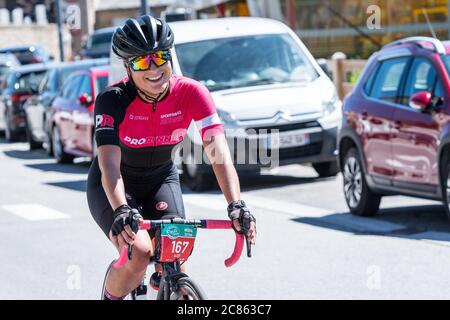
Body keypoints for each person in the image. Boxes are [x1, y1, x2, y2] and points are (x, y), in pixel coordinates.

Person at [86, 14, 256, 300]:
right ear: (128, 67)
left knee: (177, 249)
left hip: (160, 178)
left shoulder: (192, 93)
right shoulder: (112, 99)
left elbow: (218, 152)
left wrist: (236, 205)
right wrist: (120, 209)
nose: (153, 68)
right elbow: (109, 165)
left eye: (160, 57)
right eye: (141, 61)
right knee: (139, 252)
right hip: (115, 185)